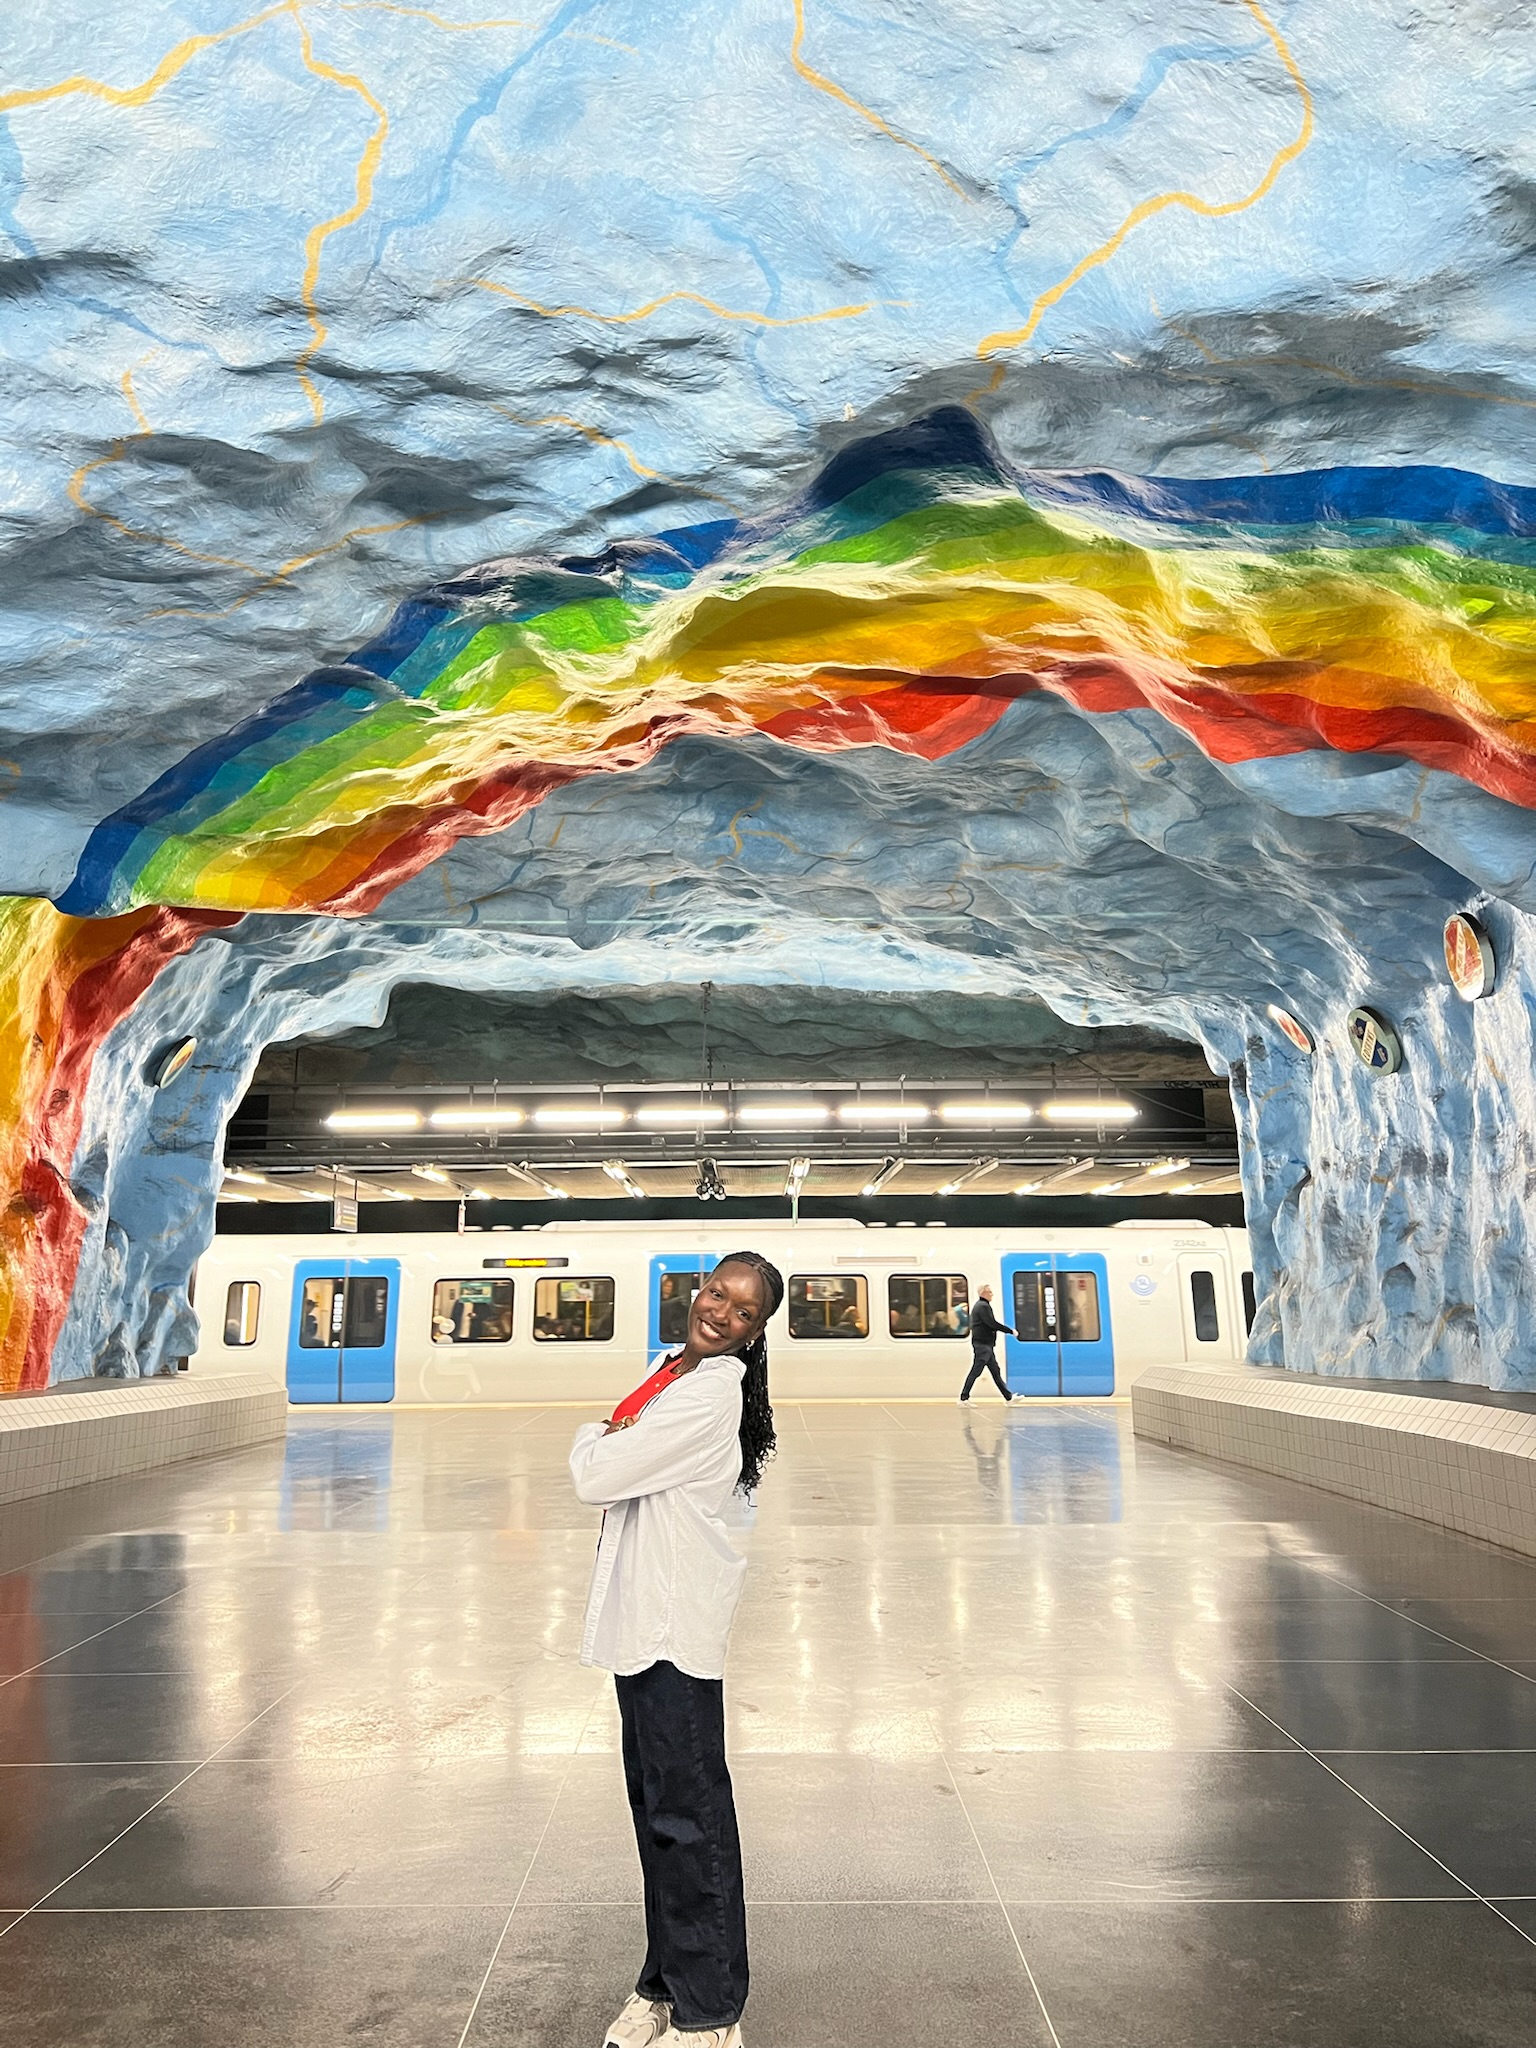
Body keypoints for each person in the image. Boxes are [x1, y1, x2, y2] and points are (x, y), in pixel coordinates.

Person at [570, 1251, 784, 2048]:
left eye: (744, 1311)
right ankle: (663, 1985)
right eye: (717, 1292)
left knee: (689, 1820)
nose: (722, 1311)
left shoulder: (705, 1396)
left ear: (757, 1334)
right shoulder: (673, 1373)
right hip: (641, 1627)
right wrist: (612, 1440)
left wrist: (594, 1434)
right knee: (658, 1816)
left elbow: (597, 1473)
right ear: (697, 1292)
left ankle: (711, 2011)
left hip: (670, 1631)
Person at [959, 1282, 1014, 1403]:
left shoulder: (981, 1305)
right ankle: (963, 1398)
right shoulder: (983, 1306)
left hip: (985, 1345)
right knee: (976, 1371)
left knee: (995, 1372)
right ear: (983, 1293)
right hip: (983, 1345)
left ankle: (1008, 1398)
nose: (992, 1294)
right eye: (989, 1292)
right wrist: (1010, 1331)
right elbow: (991, 1323)